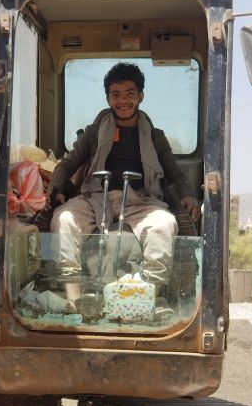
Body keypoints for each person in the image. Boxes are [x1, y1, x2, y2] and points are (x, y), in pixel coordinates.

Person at [47, 63, 200, 300]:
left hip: (141, 201)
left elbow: (175, 173)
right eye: (116, 94)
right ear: (108, 99)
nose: (123, 101)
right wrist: (56, 187)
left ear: (140, 96)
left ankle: (144, 299)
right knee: (64, 219)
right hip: (96, 198)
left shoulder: (156, 137)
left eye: (130, 93)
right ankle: (73, 298)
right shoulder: (94, 132)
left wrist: (188, 195)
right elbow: (67, 164)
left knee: (165, 224)